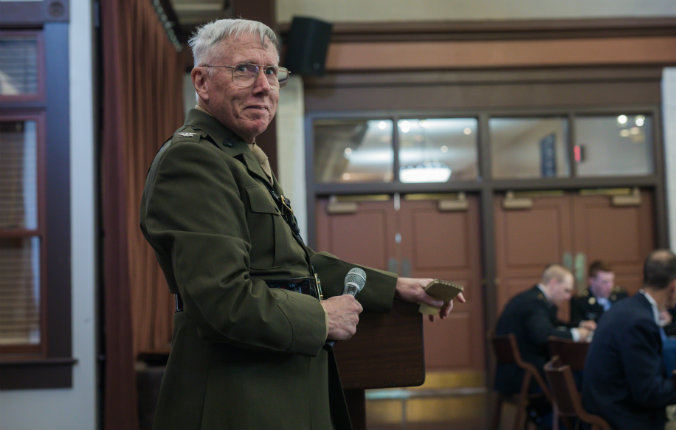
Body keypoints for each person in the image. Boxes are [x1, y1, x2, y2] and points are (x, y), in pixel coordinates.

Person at [139, 19, 464, 430]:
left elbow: (295, 265)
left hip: (277, 393)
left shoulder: (237, 156)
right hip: (239, 404)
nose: (264, 86)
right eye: (245, 69)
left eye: (272, 72)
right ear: (201, 81)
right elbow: (220, 299)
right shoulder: (194, 161)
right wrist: (322, 319)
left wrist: (394, 286)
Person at [582, 249, 676, 430]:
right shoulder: (638, 321)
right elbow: (650, 393)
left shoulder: (627, 308)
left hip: (608, 405)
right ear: (674, 286)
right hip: (623, 417)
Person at [494, 265, 594, 402]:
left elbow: (553, 324)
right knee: (580, 377)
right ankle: (574, 421)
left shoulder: (532, 298)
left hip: (513, 373)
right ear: (553, 283)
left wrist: (579, 325)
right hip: (525, 376)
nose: (568, 297)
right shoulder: (534, 303)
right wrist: (576, 335)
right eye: (566, 290)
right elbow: (543, 335)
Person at [569, 260, 627, 326]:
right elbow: (574, 323)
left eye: (611, 281)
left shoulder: (621, 295)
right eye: (605, 282)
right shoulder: (579, 300)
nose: (610, 286)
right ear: (592, 281)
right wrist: (582, 323)